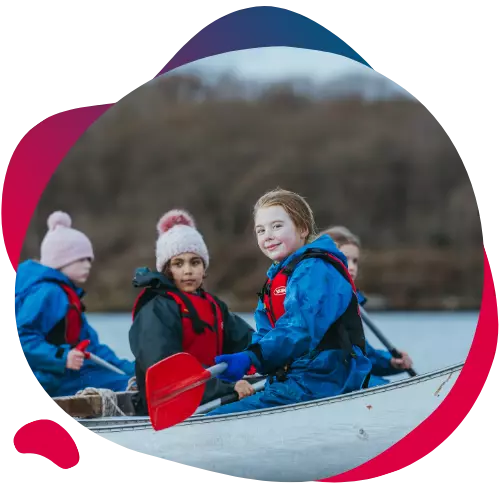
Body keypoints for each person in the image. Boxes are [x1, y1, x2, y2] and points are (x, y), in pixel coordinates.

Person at [204, 188, 372, 417]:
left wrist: (252, 356)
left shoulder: (315, 269)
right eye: (260, 230)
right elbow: (265, 334)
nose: (267, 235)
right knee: (217, 414)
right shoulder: (275, 279)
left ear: (303, 228)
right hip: (293, 381)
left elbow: (299, 328)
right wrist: (249, 363)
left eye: (277, 226)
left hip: (322, 382)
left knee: (216, 419)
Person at [128, 209, 257, 416]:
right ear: (167, 270)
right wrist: (226, 388)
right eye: (178, 264)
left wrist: (276, 357)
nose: (188, 270)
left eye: (195, 262)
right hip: (170, 405)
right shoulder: (156, 310)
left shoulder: (214, 306)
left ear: (204, 267)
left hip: (208, 398)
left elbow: (249, 341)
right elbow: (165, 370)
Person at [15, 211, 136, 398]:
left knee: (125, 377)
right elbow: (23, 339)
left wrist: (131, 368)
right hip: (50, 379)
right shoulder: (47, 293)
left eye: (89, 259)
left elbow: (91, 347)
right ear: (60, 261)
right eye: (81, 259)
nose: (88, 265)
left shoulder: (67, 295)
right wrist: (62, 357)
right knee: (120, 384)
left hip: (67, 374)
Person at [320, 225, 413, 386]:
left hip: (347, 378)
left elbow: (361, 354)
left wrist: (390, 362)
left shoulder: (349, 303)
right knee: (383, 388)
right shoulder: (316, 302)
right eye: (345, 259)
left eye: (355, 261)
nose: (352, 267)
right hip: (328, 383)